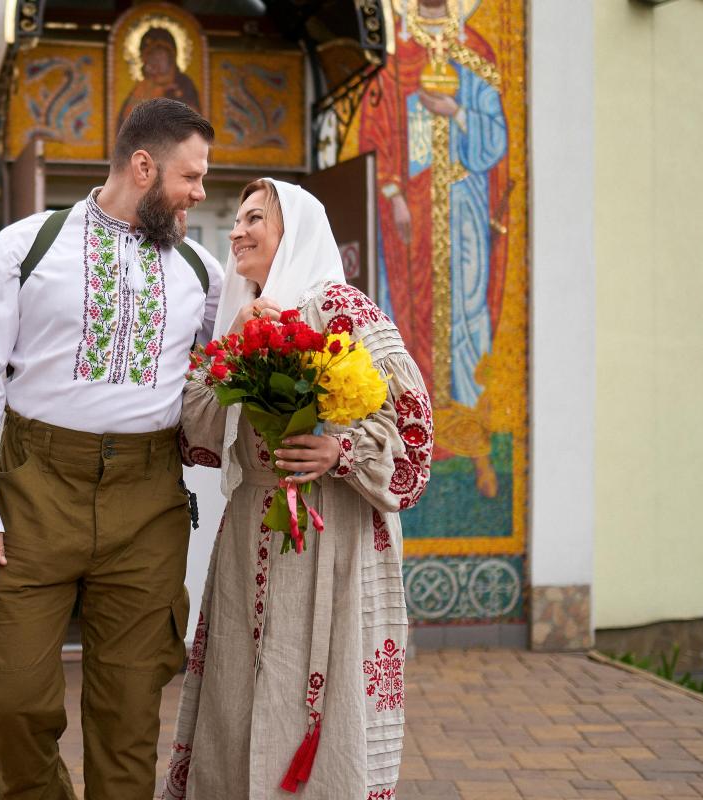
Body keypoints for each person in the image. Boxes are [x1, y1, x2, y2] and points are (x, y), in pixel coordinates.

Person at [0, 98, 223, 799]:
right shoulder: (24, 248)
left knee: (129, 713)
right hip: (35, 490)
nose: (199, 193)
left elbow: (232, 366)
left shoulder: (203, 273)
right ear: (142, 165)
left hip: (148, 502)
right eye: (190, 176)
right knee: (11, 696)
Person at [162, 179, 433, 799]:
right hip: (250, 522)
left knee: (321, 687)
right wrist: (232, 340)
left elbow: (412, 429)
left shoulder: (343, 310)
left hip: (330, 529)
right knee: (237, 685)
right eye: (237, 219)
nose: (238, 231)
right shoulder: (242, 317)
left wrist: (341, 451)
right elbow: (198, 435)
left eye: (256, 218)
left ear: (297, 232)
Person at [359, 0, 508, 497]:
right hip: (415, 211)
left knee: (467, 314)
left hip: (463, 203)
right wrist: (395, 196)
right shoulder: (396, 53)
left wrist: (457, 111)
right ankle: (410, 443)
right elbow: (374, 134)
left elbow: (496, 139)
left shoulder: (476, 50)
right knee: (411, 318)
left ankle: (476, 447)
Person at [117, 27, 202, 132]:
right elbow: (125, 124)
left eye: (160, 56)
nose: (155, 61)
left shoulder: (183, 84)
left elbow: (194, 123)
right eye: (151, 56)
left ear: (171, 57)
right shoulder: (142, 87)